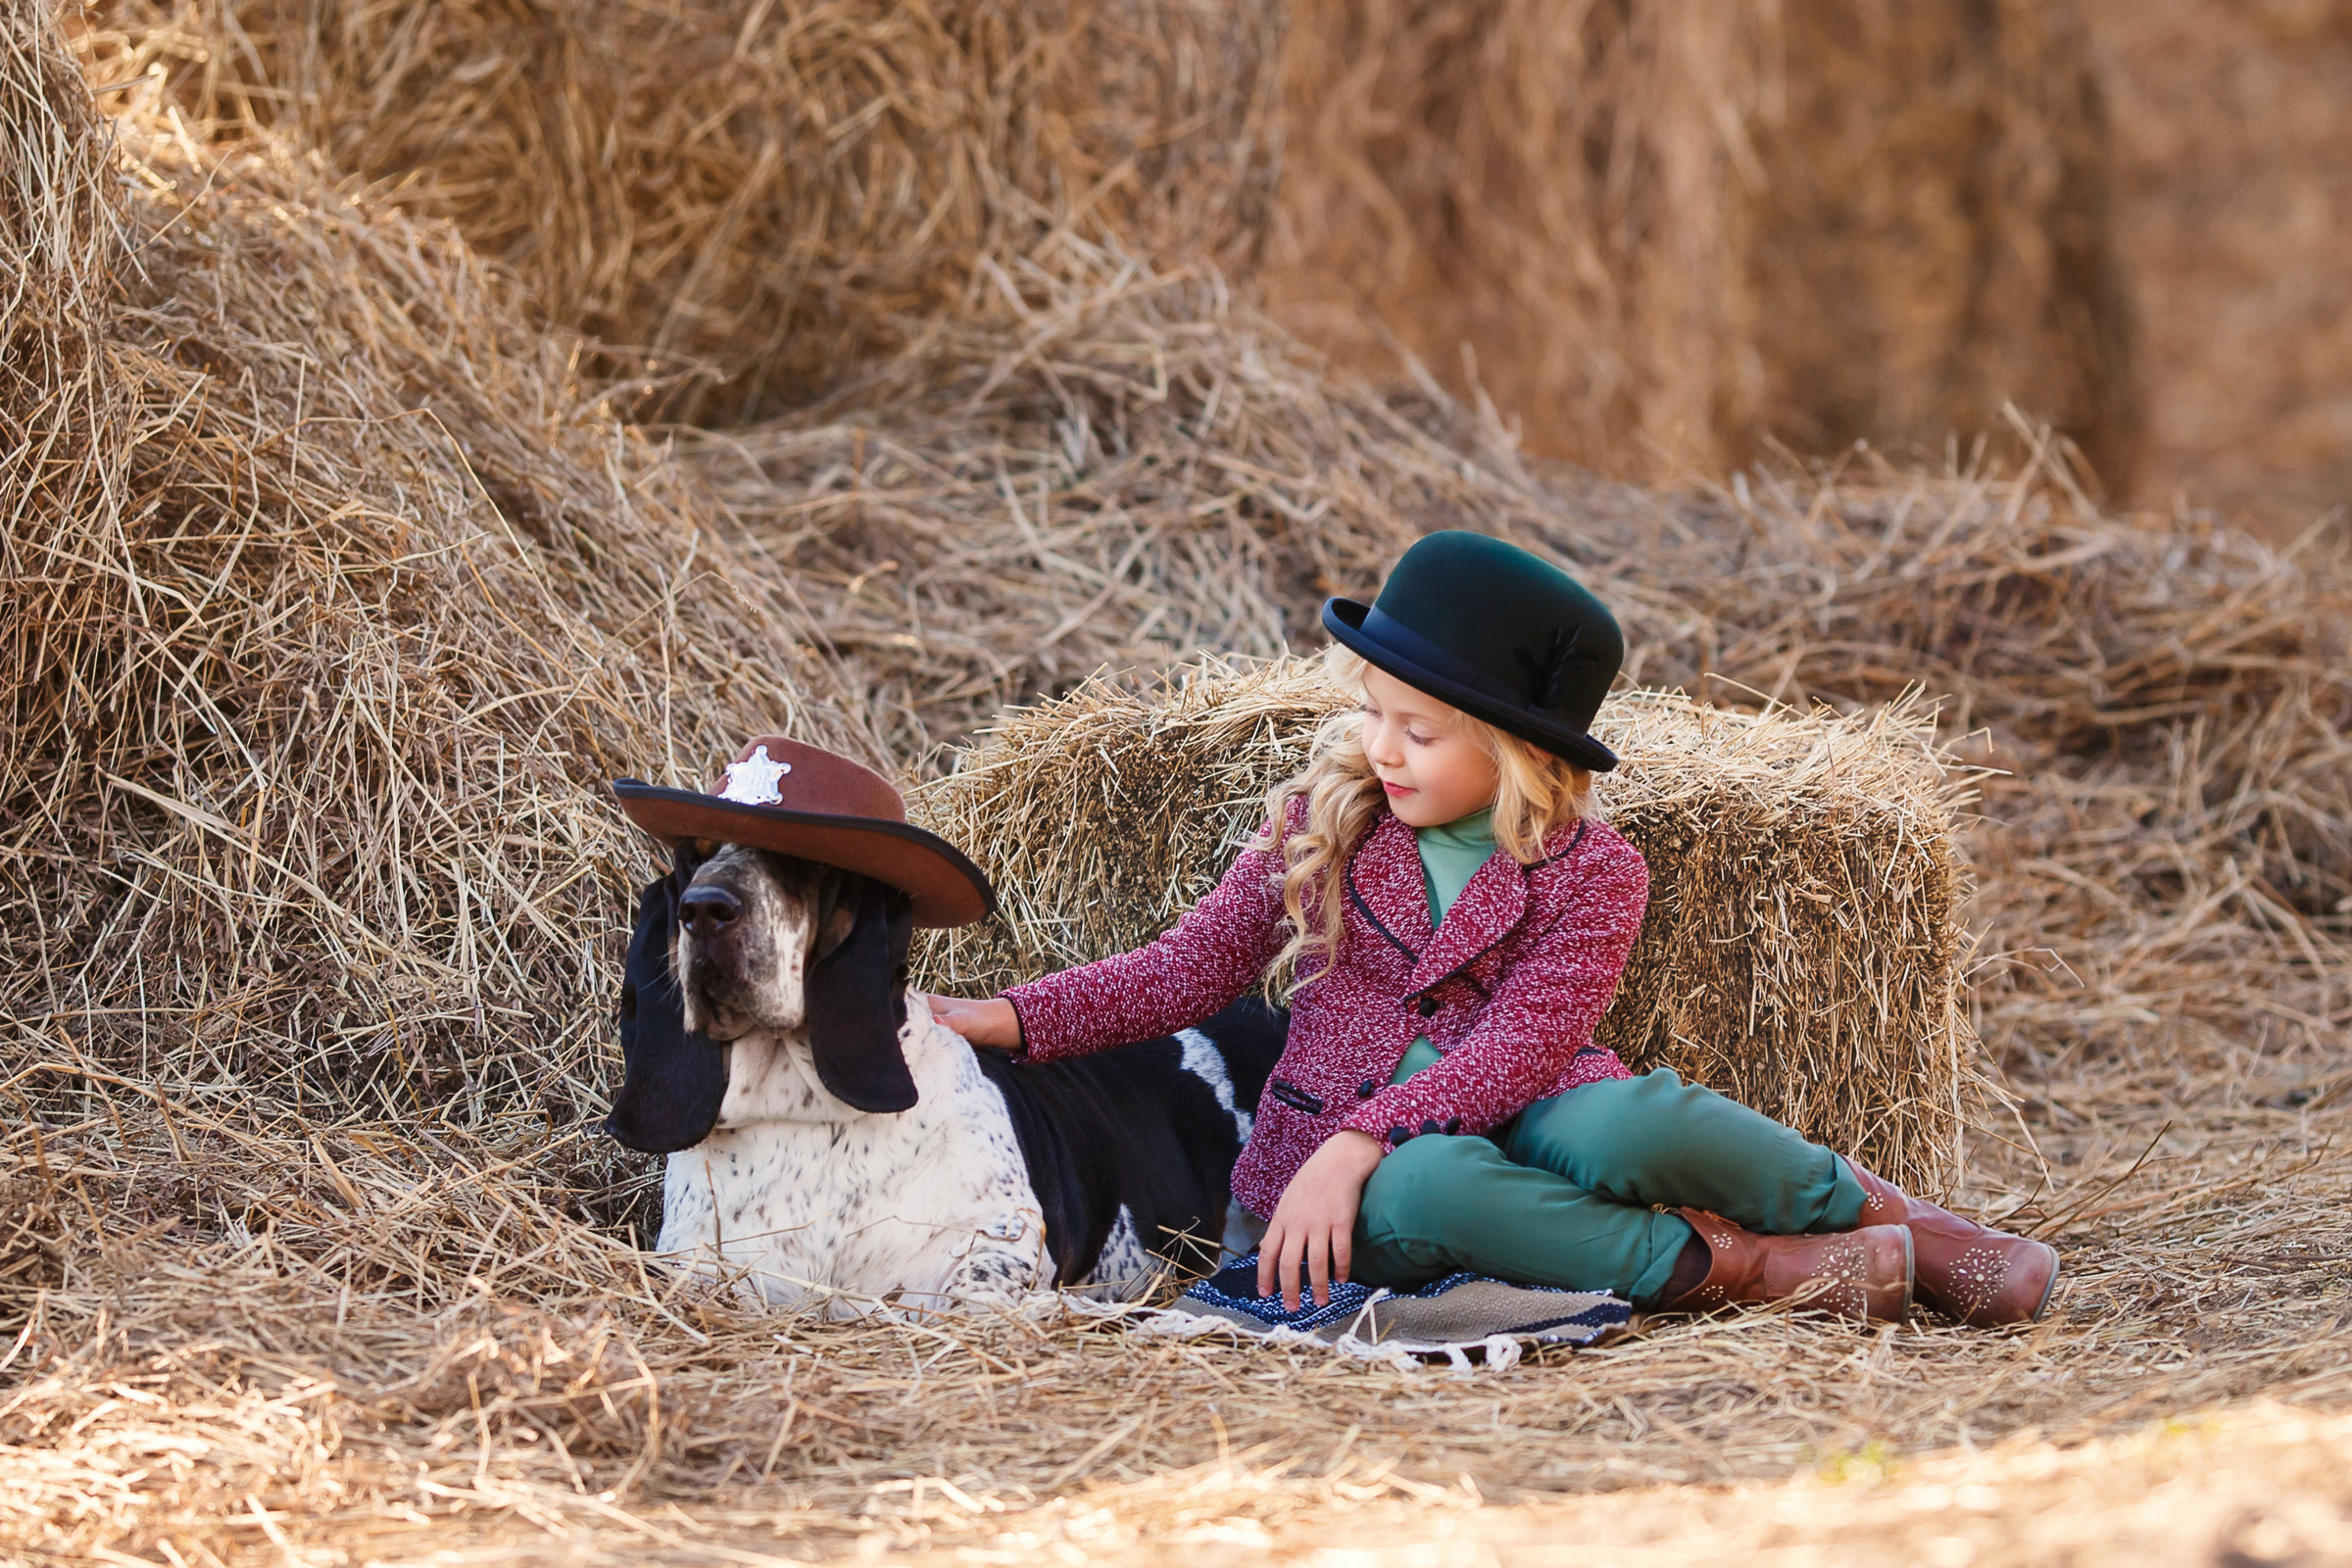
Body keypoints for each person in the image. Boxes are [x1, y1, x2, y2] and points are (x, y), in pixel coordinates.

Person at [931, 531, 2058, 1326]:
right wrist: (1007, 1016)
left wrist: (1368, 1128)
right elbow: (1182, 970)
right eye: (1373, 713)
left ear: (1518, 752)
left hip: (1502, 1110)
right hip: (1337, 1186)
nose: (1381, 749)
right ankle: (1757, 1268)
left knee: (1633, 1121)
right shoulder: (1321, 828)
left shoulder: (1595, 871)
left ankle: (1910, 1230)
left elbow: (1520, 1050)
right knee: (1434, 1191)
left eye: (1418, 731)